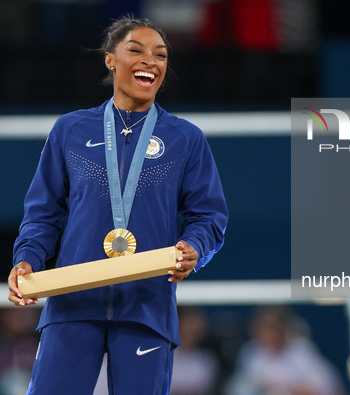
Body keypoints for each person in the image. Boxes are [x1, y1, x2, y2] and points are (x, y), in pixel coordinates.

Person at [7, 16, 228, 395]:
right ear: (111, 60)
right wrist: (27, 259)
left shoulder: (185, 139)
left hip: (147, 305)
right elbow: (42, 212)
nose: (151, 61)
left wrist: (197, 247)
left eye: (161, 55)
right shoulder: (71, 130)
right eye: (136, 50)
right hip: (72, 301)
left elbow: (208, 216)